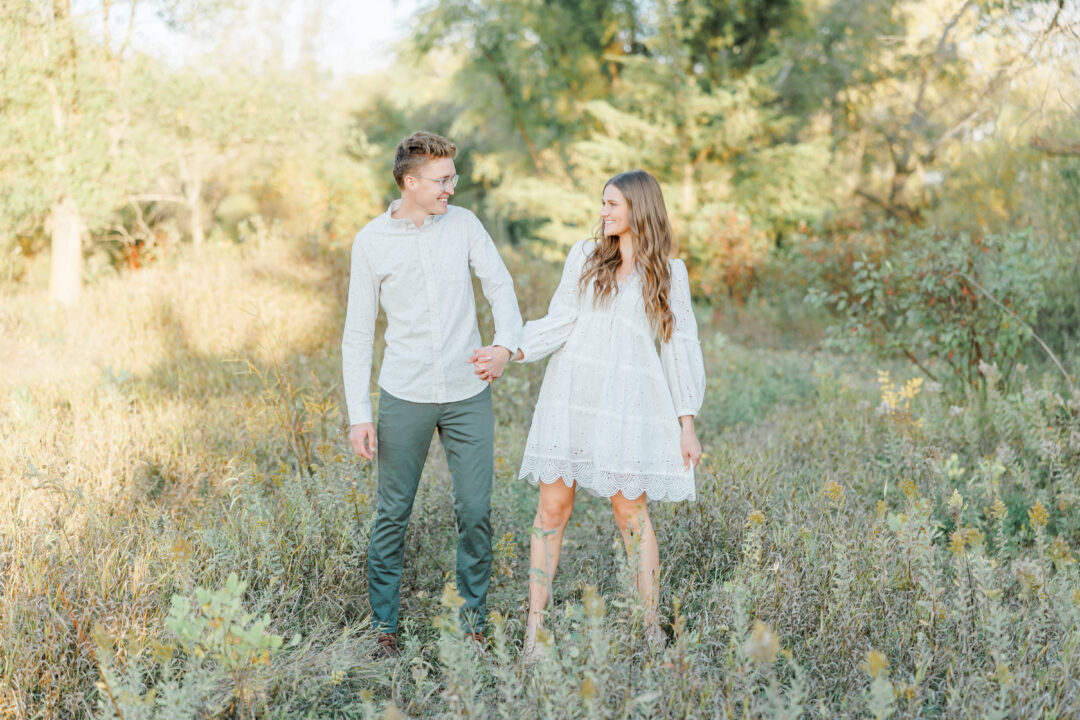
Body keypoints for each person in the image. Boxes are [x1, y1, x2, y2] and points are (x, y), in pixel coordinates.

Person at [473, 169, 704, 659]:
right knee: (552, 510)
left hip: (628, 404)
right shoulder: (584, 255)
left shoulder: (669, 272)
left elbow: (679, 348)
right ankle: (535, 630)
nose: (603, 213)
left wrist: (687, 423)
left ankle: (648, 627)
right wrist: (508, 350)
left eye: (612, 205)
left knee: (631, 515)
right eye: (602, 204)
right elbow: (560, 320)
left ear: (639, 208)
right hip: (573, 395)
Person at [342, 131, 522, 659]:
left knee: (475, 508)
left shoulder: (464, 224)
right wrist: (359, 414)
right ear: (410, 181)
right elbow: (357, 332)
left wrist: (505, 345)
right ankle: (384, 629)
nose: (452, 187)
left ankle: (472, 624)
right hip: (406, 392)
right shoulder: (370, 241)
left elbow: (501, 286)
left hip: (468, 391)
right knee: (393, 512)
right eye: (443, 180)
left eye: (453, 178)